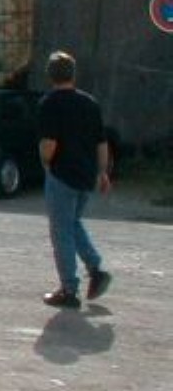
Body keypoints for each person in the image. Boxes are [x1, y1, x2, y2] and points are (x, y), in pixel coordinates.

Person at [37, 50, 113, 308]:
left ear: (50, 75)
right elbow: (101, 142)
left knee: (61, 232)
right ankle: (96, 269)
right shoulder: (90, 103)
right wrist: (102, 172)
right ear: (73, 73)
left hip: (62, 175)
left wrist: (46, 163)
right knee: (73, 224)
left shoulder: (50, 104)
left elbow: (49, 144)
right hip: (86, 175)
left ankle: (69, 290)